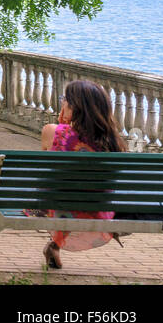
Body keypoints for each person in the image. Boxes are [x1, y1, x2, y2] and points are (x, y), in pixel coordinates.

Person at [32, 79, 127, 269]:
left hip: (56, 209)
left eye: (64, 100)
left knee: (62, 193)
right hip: (98, 212)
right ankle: (54, 246)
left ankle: (56, 244)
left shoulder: (52, 132)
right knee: (78, 195)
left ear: (75, 106)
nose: (62, 103)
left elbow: (48, 171)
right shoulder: (114, 143)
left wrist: (62, 124)